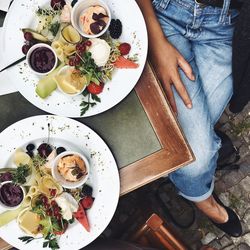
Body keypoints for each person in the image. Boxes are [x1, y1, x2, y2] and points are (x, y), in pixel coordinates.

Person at [135, 0, 242, 237]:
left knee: (183, 142)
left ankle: (202, 147)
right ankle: (205, 202)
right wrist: (157, 41)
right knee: (196, 158)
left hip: (227, 28)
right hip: (164, 13)